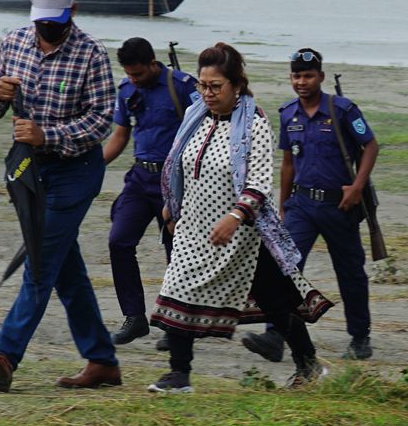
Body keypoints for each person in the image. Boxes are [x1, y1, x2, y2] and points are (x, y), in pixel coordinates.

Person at [147, 44, 325, 392]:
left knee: (276, 300)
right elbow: (178, 163)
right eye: (203, 85)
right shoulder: (195, 115)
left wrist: (234, 217)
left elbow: (259, 184)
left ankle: (308, 364)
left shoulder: (254, 124)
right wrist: (171, 204)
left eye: (216, 86)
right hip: (192, 229)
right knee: (176, 285)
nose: (208, 93)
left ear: (237, 85)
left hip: (242, 236)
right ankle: (179, 374)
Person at [0, 0, 123, 393]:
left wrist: (48, 135)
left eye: (55, 22)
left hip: (76, 171)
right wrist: (0, 97)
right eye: (41, 21)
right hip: (30, 172)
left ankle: (5, 354)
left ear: (72, 12)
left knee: (40, 261)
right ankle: (102, 360)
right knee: (65, 269)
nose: (46, 29)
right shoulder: (14, 42)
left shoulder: (91, 53)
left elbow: (100, 120)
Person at [274, 48, 380, 361]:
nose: (301, 81)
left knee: (350, 274)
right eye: (296, 76)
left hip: (340, 206)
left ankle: (360, 337)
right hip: (302, 205)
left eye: (308, 75)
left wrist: (357, 187)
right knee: (285, 266)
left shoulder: (343, 110)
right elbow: (288, 163)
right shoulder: (287, 113)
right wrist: (282, 206)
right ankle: (275, 335)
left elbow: (370, 145)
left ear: (320, 76)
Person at [101, 37, 196, 344]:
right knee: (119, 241)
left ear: (153, 63)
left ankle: (175, 325)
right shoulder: (126, 91)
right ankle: (134, 317)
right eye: (129, 74)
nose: (134, 80)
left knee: (176, 252)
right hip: (140, 178)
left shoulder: (181, 86)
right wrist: (92, 166)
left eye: (138, 74)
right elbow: (120, 135)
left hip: (176, 182)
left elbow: (206, 130)